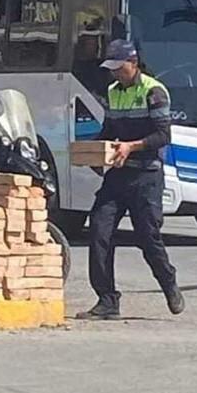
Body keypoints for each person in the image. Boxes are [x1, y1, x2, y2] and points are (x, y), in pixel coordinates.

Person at [76, 39, 185, 320]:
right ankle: (107, 299)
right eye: (111, 69)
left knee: (147, 238)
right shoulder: (113, 91)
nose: (115, 74)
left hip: (146, 176)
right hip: (119, 175)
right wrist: (94, 152)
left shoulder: (154, 92)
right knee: (99, 231)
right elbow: (110, 128)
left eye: (119, 67)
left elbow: (163, 136)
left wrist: (130, 146)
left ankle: (168, 283)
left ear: (133, 64)